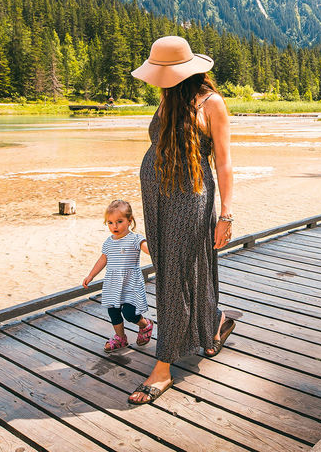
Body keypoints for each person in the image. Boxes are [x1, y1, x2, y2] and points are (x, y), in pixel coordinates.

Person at [127, 35, 235, 405]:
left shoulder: (212, 103)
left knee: (173, 275)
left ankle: (163, 367)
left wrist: (226, 214)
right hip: (157, 197)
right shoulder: (168, 97)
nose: (157, 81)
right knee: (180, 268)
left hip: (190, 197)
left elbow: (223, 162)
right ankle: (213, 323)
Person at [82, 200, 154, 353]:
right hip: (113, 284)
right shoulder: (108, 242)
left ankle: (144, 324)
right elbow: (103, 259)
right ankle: (120, 337)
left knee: (129, 313)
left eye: (119, 221)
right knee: (113, 311)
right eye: (110, 222)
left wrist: (159, 253)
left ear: (129, 221)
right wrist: (91, 275)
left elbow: (147, 248)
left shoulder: (135, 239)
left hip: (130, 284)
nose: (114, 226)